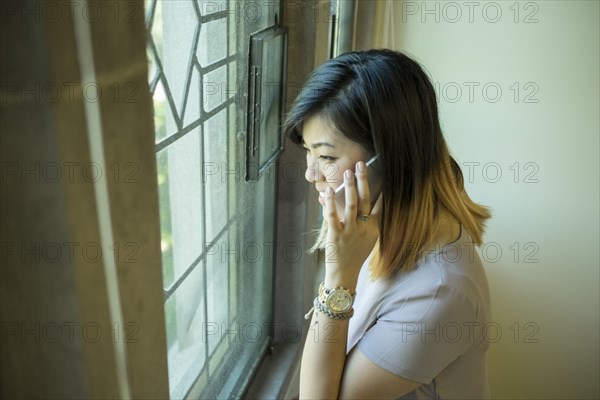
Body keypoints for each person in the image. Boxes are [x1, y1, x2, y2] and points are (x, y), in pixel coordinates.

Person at [283, 49, 492, 399]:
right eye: (308, 150)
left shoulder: (438, 293)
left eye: (326, 157)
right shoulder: (372, 228)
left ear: (388, 162)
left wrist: (338, 278)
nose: (310, 172)